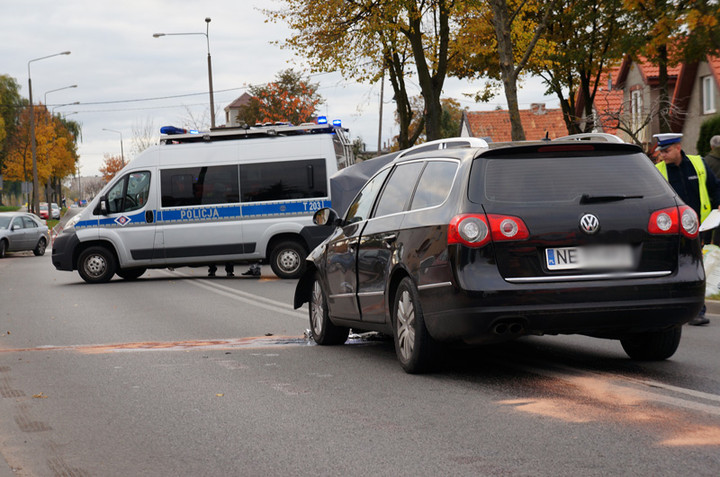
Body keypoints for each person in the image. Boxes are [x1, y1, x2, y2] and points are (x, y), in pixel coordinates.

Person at [654, 133, 720, 325]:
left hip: (699, 228)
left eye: (666, 151)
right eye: (661, 152)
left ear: (678, 147)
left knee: (696, 269)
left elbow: (714, 186)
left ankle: (698, 311)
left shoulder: (698, 163)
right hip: (672, 230)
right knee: (672, 268)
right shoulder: (658, 171)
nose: (663, 155)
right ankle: (671, 309)